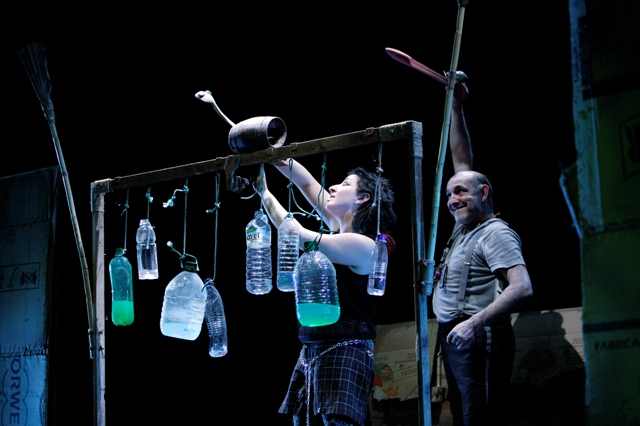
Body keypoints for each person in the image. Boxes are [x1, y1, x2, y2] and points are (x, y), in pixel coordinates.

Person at [257, 158, 397, 426]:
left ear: (362, 198)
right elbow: (307, 183)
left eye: (344, 184)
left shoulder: (364, 245)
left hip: (346, 350)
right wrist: (277, 156)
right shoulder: (336, 229)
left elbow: (297, 235)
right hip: (313, 348)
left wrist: (263, 192)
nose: (332, 187)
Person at [433, 79, 534, 425]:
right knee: (464, 414)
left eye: (460, 192)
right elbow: (461, 159)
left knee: (482, 416)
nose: (452, 200)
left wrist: (473, 323)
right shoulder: (463, 227)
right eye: (449, 195)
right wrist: (455, 107)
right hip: (456, 335)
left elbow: (522, 287)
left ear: (484, 193)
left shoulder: (495, 233)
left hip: (480, 335)